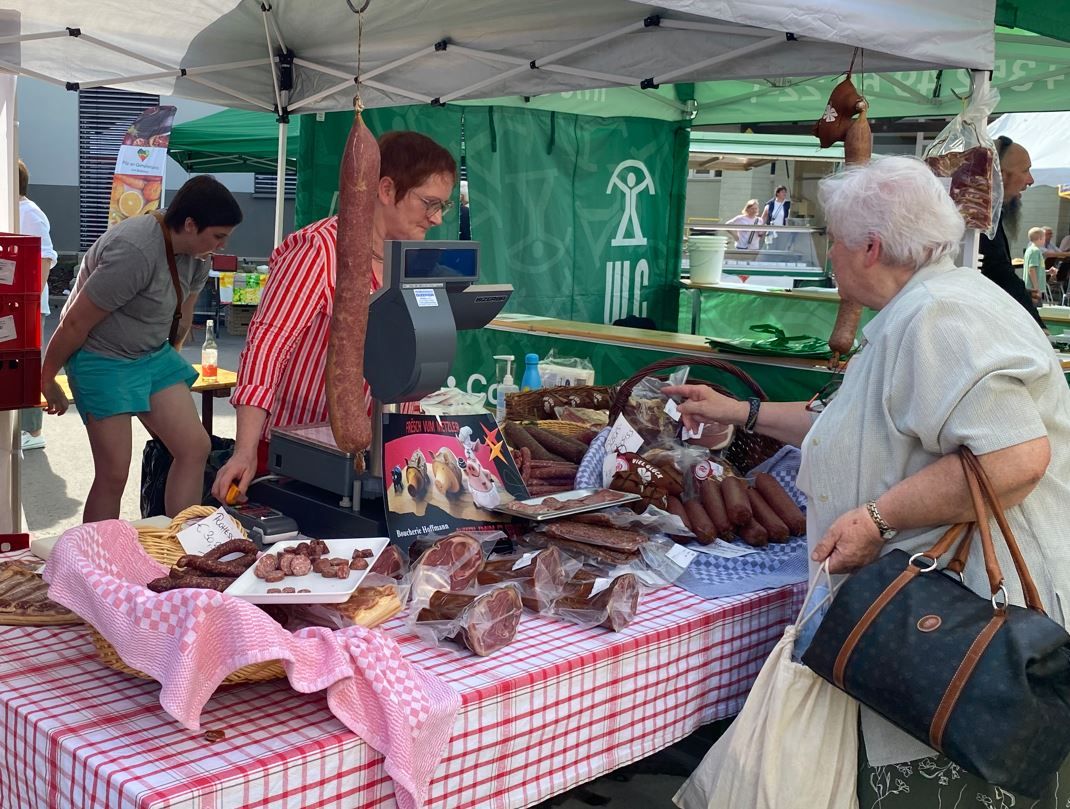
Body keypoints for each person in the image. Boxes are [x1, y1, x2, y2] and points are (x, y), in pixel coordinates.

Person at [666, 155, 1070, 806]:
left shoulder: (942, 314)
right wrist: (739, 411)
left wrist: (876, 519)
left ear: (870, 247)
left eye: (832, 239)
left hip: (963, 642)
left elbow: (1014, 457)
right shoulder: (920, 307)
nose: (829, 256)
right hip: (936, 634)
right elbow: (847, 421)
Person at [211, 131, 457, 503]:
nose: (436, 218)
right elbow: (267, 345)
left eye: (444, 207)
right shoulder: (319, 250)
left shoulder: (410, 260)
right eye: (429, 203)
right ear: (387, 190)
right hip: (295, 457)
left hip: (374, 456)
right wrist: (244, 450)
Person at [41, 175, 242, 521]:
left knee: (195, 447)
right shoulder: (134, 249)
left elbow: (183, 314)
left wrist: (170, 367)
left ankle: (180, 546)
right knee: (114, 472)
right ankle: (97, 564)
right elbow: (75, 322)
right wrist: (46, 379)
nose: (222, 246)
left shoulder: (199, 255)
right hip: (102, 358)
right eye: (218, 236)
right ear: (190, 225)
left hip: (151, 356)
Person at [980, 136, 1044, 328]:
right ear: (1001, 175)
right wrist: (1039, 328)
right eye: (1025, 171)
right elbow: (997, 269)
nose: (1031, 180)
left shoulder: (987, 213)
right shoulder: (978, 217)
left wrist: (1021, 294)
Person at [17, 159, 57, 451]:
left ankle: (33, 430)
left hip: (26, 305)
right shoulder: (11, 209)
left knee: (27, 366)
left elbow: (45, 259)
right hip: (13, 304)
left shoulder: (29, 213)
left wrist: (30, 301)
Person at [1023, 226, 1045, 298]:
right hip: (1033, 288)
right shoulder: (1035, 251)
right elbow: (1031, 269)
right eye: (1044, 237)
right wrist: (1036, 288)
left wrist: (1048, 272)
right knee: (1033, 308)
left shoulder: (1030, 250)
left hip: (1033, 287)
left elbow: (1037, 270)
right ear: (1040, 238)